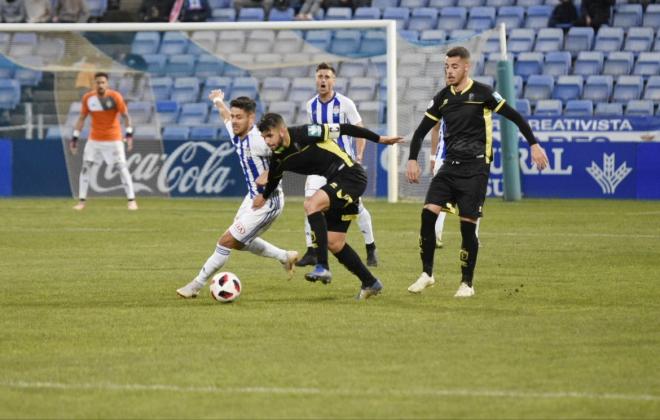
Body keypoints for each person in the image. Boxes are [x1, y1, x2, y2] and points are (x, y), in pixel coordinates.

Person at [405, 46, 549, 297]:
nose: (449, 72)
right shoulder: (443, 98)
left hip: (476, 168)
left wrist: (534, 144)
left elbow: (515, 116)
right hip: (449, 167)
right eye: (446, 67)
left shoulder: (483, 93)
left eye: (454, 67)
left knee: (467, 227)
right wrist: (412, 159)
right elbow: (420, 132)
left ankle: (466, 284)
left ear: (466, 67)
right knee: (428, 214)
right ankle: (427, 274)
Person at [253, 113, 403, 299]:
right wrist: (264, 197)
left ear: (282, 131)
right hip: (336, 182)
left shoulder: (306, 132)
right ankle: (370, 282)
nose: (267, 141)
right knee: (335, 243)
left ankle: (322, 266)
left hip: (350, 175)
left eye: (270, 135)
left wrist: (379, 138)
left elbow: (345, 128)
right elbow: (274, 180)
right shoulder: (277, 158)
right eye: (264, 137)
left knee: (311, 204)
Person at [176, 92, 299, 299]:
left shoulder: (260, 140)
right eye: (233, 116)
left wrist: (269, 174)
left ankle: (196, 285)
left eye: (239, 117)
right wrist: (217, 101)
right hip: (252, 197)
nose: (234, 121)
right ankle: (285, 257)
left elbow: (290, 154)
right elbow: (224, 116)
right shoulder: (235, 131)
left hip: (268, 201)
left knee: (225, 241)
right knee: (240, 242)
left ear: (251, 119)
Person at [296, 62, 379, 269]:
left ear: (333, 80)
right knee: (309, 203)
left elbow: (359, 130)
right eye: (320, 76)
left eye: (327, 77)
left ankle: (370, 247)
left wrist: (358, 155)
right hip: (319, 166)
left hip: (343, 166)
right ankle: (311, 251)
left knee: (358, 209)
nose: (323, 80)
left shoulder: (345, 104)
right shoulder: (310, 105)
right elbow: (313, 134)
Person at [69, 72, 138, 211]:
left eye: (103, 82)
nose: (100, 85)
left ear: (107, 83)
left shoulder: (115, 96)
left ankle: (132, 200)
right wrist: (74, 138)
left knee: (121, 168)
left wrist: (129, 135)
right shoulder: (88, 98)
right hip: (94, 139)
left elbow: (126, 116)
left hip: (113, 139)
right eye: (98, 82)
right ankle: (81, 202)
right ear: (94, 84)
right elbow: (82, 118)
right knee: (85, 167)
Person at [429, 120, 480, 249]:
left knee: (472, 199)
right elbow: (435, 129)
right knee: (440, 201)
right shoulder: (440, 101)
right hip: (443, 159)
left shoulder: (475, 103)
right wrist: (432, 156)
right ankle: (434, 236)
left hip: (469, 159)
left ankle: (472, 238)